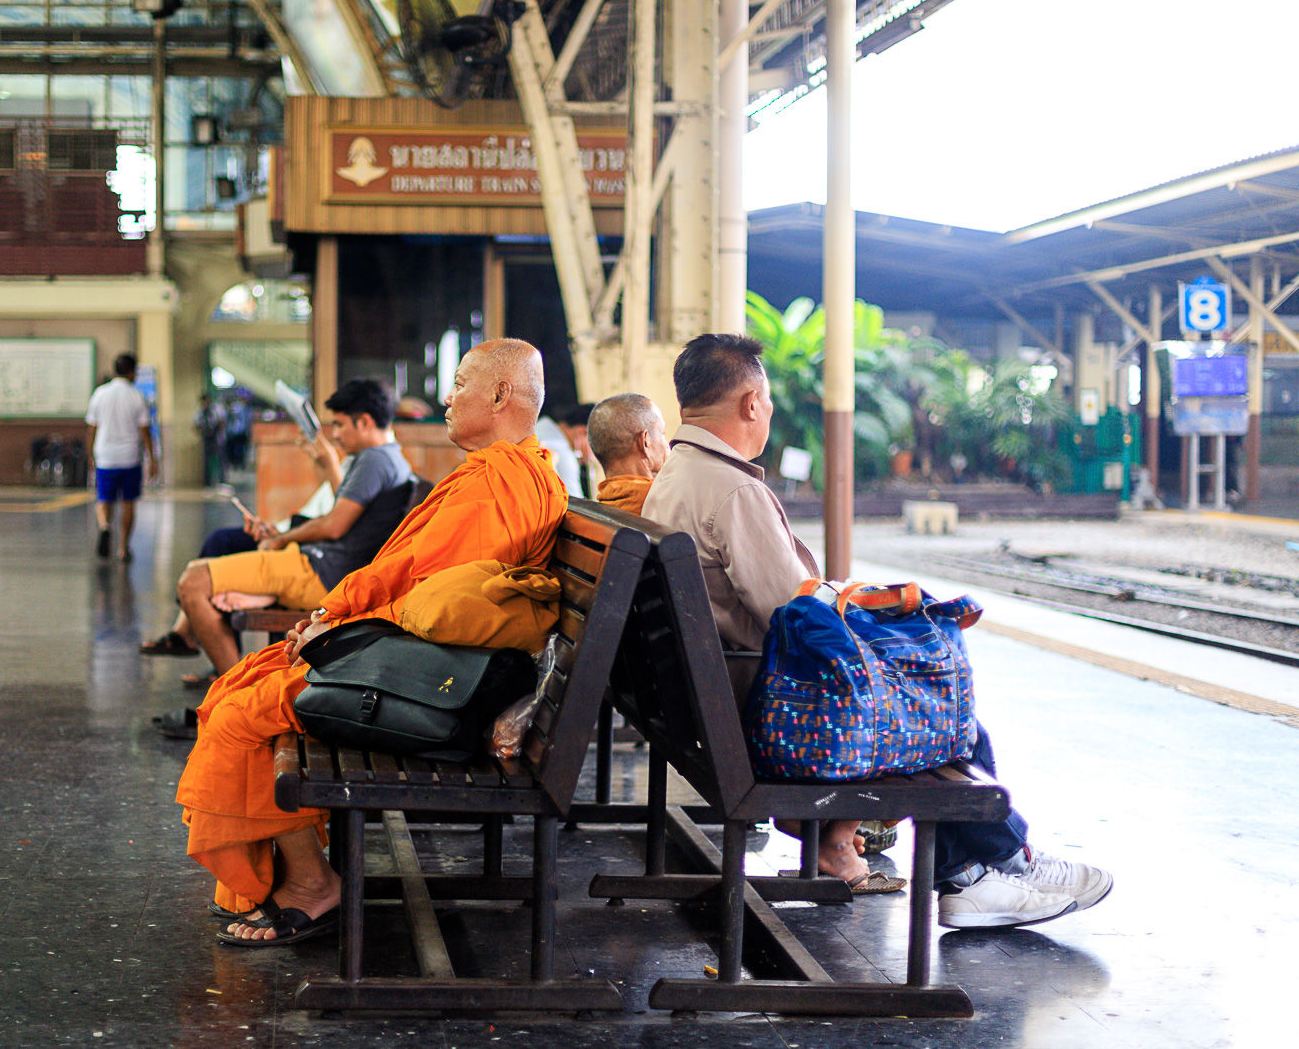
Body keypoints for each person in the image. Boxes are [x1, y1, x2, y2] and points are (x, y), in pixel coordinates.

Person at [641, 333, 1112, 929]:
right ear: (751, 403)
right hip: (758, 705)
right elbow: (795, 614)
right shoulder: (732, 489)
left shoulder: (677, 474)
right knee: (942, 705)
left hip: (702, 698)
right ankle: (990, 868)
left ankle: (978, 872)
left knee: (935, 706)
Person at [175, 339, 567, 946]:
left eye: (460, 383)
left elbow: (437, 606)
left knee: (239, 715)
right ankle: (288, 876)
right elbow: (424, 586)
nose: (446, 396)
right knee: (243, 682)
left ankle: (312, 886)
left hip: (433, 679)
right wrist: (334, 615)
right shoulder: (505, 475)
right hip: (428, 657)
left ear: (499, 395)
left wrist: (336, 623)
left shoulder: (499, 486)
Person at [155, 379, 413, 680]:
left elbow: (333, 525)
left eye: (340, 425)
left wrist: (280, 539)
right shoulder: (390, 458)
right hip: (320, 564)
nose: (336, 435)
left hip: (319, 571)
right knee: (203, 571)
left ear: (365, 422)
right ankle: (240, 685)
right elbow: (344, 517)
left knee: (193, 583)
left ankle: (235, 697)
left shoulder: (374, 459)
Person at [85, 352, 156, 562]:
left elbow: (91, 429)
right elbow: (145, 432)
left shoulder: (99, 394)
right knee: (128, 502)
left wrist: (90, 455)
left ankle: (105, 526)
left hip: (105, 456)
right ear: (132, 372)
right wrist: (153, 459)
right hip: (130, 458)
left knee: (103, 498)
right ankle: (123, 547)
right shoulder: (137, 396)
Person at [586, 393, 668, 515]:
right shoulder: (668, 502)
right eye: (662, 433)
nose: (667, 445)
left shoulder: (604, 507)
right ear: (645, 442)